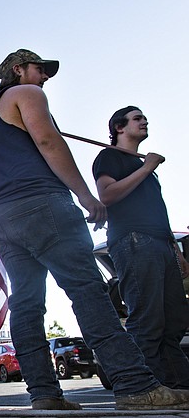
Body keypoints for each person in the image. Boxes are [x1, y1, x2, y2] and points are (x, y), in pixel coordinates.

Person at [0, 48, 189, 410]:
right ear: (18, 69)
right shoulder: (27, 94)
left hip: (4, 217)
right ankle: (136, 386)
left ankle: (43, 393)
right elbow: (48, 141)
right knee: (87, 291)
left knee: (26, 305)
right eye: (39, 70)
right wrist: (86, 195)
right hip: (43, 204)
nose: (44, 78)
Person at [92, 106, 189, 388]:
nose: (144, 121)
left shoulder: (144, 167)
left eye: (144, 117)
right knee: (146, 320)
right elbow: (107, 194)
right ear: (119, 127)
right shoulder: (110, 157)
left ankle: (176, 385)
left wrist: (177, 252)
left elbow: (157, 212)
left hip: (161, 245)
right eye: (137, 118)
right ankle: (138, 387)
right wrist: (148, 167)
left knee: (174, 320)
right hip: (134, 242)